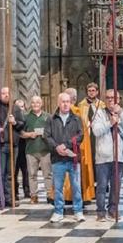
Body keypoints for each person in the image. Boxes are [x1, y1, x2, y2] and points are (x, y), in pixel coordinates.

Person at [91, 89, 123, 222]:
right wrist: (110, 123)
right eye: (108, 98)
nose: (110, 100)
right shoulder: (99, 113)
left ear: (118, 99)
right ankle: (101, 212)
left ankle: (113, 210)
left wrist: (120, 114)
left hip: (119, 156)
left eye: (113, 98)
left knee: (116, 186)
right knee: (102, 186)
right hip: (103, 156)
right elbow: (96, 131)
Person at [44, 92, 85, 223]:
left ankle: (78, 211)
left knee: (76, 187)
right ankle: (58, 211)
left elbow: (80, 135)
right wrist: (56, 147)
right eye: (63, 101)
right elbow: (46, 136)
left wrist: (66, 146)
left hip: (73, 158)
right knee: (58, 187)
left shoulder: (76, 119)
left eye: (68, 101)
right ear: (58, 103)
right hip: (57, 159)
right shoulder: (51, 119)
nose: (66, 104)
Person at [63, 87, 95, 203]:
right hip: (76, 146)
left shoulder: (77, 111)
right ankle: (76, 196)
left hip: (73, 145)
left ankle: (70, 196)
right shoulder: (77, 111)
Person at [0, 87, 25, 207]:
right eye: (3, 93)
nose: (6, 95)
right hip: (1, 144)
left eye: (8, 93)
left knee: (10, 173)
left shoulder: (15, 108)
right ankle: (0, 199)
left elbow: (22, 124)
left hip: (14, 145)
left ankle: (9, 198)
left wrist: (15, 123)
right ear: (0, 95)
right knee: (0, 173)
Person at [21, 96, 53, 204]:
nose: (35, 104)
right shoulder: (26, 117)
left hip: (45, 150)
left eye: (38, 102)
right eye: (33, 102)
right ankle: (33, 196)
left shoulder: (48, 117)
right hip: (31, 150)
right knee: (32, 174)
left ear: (42, 103)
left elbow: (53, 132)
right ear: (31, 104)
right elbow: (20, 133)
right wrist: (29, 134)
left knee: (47, 174)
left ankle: (50, 195)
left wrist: (46, 135)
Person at [78, 82, 105, 180]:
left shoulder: (101, 105)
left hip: (99, 136)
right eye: (89, 91)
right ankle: (89, 182)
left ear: (97, 92)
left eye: (93, 91)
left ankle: (101, 182)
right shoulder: (81, 105)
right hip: (87, 135)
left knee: (99, 158)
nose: (91, 93)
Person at [14, 99, 30, 200]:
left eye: (22, 107)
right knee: (14, 171)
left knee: (26, 171)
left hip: (25, 147)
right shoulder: (12, 119)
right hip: (15, 147)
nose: (20, 109)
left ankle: (27, 190)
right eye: (18, 107)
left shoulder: (27, 119)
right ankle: (15, 191)